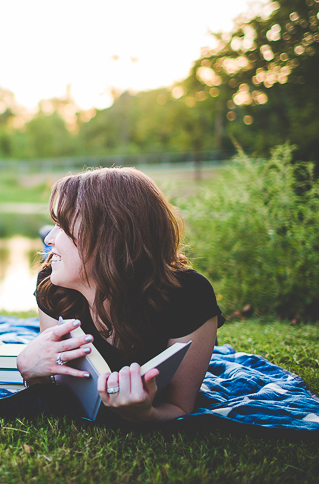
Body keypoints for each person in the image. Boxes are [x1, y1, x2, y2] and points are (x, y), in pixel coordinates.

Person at [16, 167, 224, 422]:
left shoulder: (188, 297)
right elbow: (58, 389)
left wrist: (143, 414)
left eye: (62, 226)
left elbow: (179, 406)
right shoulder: (54, 288)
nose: (48, 238)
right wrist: (32, 374)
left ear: (109, 235)